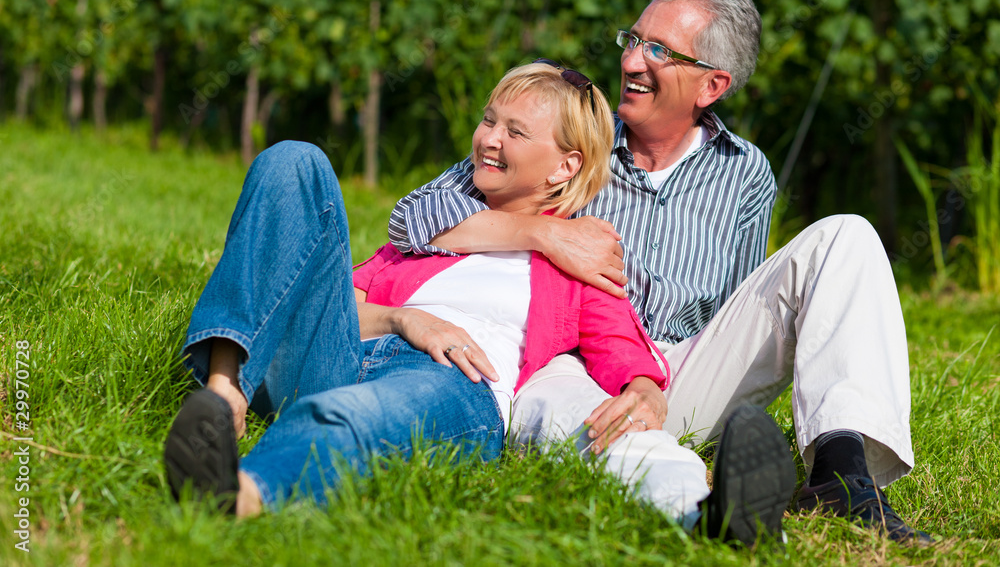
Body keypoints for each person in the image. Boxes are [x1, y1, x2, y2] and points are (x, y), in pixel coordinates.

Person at [387, 0, 933, 545]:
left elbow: (740, 304)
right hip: (574, 358)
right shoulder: (573, 138)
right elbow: (410, 222)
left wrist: (669, 381)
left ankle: (844, 475)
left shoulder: (745, 172)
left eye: (659, 51)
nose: (630, 62)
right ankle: (698, 504)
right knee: (564, 398)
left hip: (686, 370)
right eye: (633, 40)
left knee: (845, 234)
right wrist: (542, 234)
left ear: (711, 85)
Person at [163, 61, 796, 544]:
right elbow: (324, 300)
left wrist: (642, 387)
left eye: (515, 131)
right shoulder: (439, 230)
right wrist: (403, 317)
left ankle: (241, 489)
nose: (488, 138)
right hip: (344, 351)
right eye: (489, 119)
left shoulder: (580, 257)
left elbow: (620, 342)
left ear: (562, 168)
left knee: (362, 416)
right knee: (293, 160)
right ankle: (225, 391)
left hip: (453, 383)